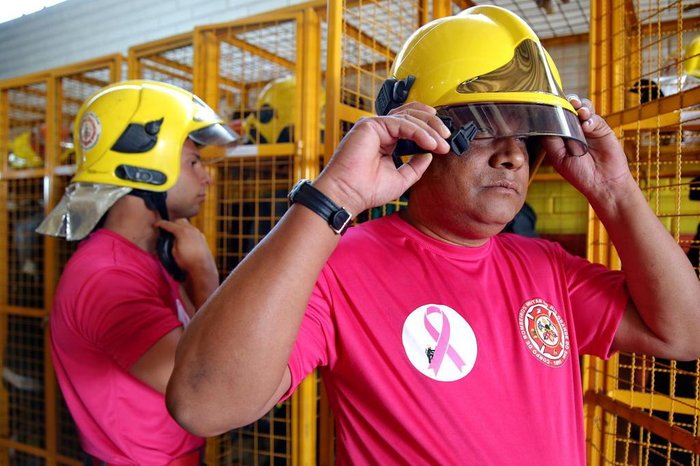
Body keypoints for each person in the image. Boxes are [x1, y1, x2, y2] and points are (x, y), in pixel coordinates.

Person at [166, 6, 700, 465]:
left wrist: (615, 191)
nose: (513, 156)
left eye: (528, 137)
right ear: (417, 136)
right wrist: (336, 197)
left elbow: (683, 333)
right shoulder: (337, 266)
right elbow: (204, 403)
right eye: (486, 126)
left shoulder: (547, 267)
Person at [36, 80, 239, 465]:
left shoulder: (144, 258)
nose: (206, 177)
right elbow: (206, 387)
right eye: (193, 162)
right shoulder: (108, 276)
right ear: (147, 168)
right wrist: (203, 270)